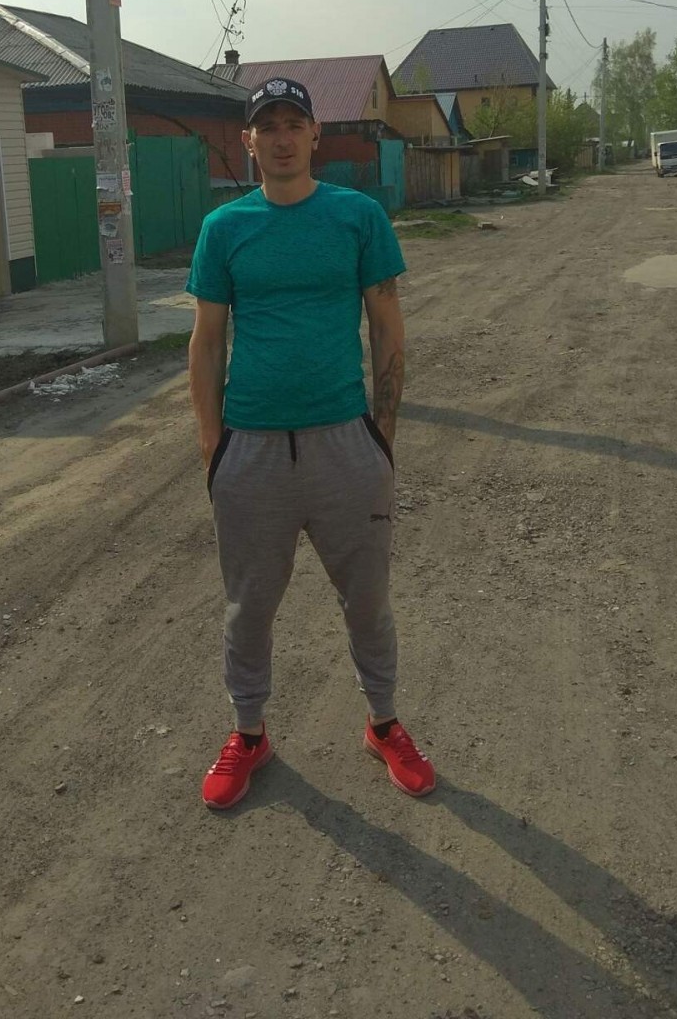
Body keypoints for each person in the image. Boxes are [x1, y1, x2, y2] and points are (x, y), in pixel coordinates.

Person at [186, 76, 435, 810]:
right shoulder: (223, 229)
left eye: (296, 124)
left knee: (367, 599)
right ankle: (249, 733)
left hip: (344, 444)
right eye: (269, 126)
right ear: (249, 141)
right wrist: (213, 447)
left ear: (316, 136)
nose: (283, 138)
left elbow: (387, 326)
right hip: (252, 449)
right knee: (249, 605)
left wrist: (381, 436)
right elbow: (207, 342)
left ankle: (384, 723)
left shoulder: (357, 217)